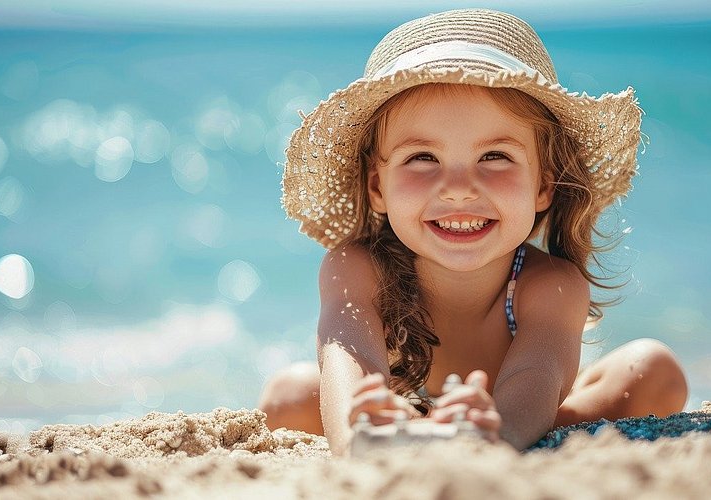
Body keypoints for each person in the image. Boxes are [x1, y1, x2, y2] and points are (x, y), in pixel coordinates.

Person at [259, 8, 688, 456]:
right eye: (422, 157)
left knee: (654, 369)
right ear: (376, 187)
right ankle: (416, 426)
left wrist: (490, 431)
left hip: (511, 415)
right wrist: (360, 432)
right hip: (403, 408)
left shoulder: (548, 284)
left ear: (543, 185)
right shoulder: (359, 269)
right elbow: (357, 363)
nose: (459, 190)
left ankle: (546, 429)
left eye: (494, 157)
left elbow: (535, 379)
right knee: (287, 396)